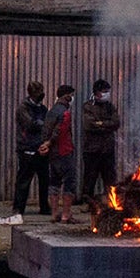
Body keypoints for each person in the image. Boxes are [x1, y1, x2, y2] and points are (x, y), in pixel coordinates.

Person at [81, 79, 122, 206]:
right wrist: (106, 124)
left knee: (110, 179)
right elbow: (89, 125)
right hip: (92, 150)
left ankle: (112, 203)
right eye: (104, 91)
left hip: (107, 149)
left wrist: (100, 123)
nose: (107, 94)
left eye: (107, 91)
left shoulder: (110, 107)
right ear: (97, 92)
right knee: (90, 178)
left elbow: (116, 123)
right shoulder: (88, 106)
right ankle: (87, 204)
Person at [14, 81, 52, 216]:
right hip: (27, 148)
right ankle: (18, 208)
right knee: (24, 180)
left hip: (40, 148)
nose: (41, 95)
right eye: (38, 92)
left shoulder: (42, 109)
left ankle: (44, 206)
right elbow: (30, 125)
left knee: (44, 180)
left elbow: (48, 126)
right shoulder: (23, 108)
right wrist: (43, 125)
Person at [44, 84, 79, 224]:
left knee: (54, 181)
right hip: (64, 150)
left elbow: (46, 130)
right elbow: (60, 130)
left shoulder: (51, 111)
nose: (72, 98)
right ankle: (65, 214)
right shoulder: (65, 112)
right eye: (71, 95)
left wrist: (45, 144)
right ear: (66, 96)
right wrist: (50, 142)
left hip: (53, 153)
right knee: (69, 182)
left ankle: (54, 214)